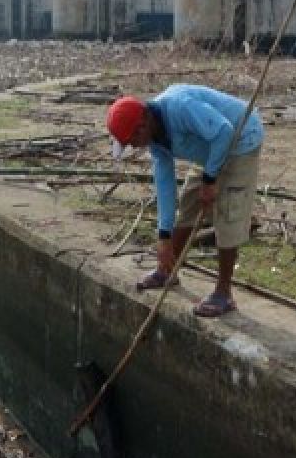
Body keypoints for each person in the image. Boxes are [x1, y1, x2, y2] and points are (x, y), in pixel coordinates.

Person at [106, 84, 264, 318]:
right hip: (211, 146)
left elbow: (224, 131)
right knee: (189, 203)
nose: (132, 146)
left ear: (143, 124)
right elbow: (165, 185)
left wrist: (210, 178)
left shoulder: (180, 107)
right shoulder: (156, 138)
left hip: (240, 139)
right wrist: (163, 236)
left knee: (228, 214)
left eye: (131, 140)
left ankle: (224, 293)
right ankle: (167, 270)